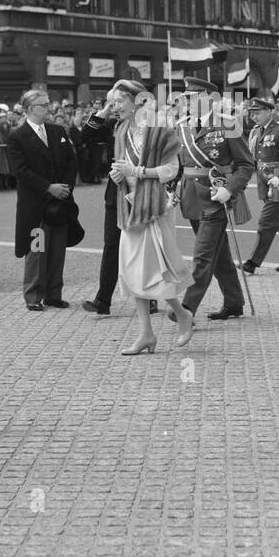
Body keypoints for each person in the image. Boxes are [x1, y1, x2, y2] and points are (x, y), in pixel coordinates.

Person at [104, 83, 194, 354]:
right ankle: (146, 333)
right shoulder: (121, 130)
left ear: (136, 101)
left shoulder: (158, 128)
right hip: (130, 206)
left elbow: (171, 169)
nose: (115, 107)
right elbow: (123, 166)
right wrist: (120, 174)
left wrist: (137, 170)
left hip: (154, 206)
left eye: (120, 101)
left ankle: (182, 314)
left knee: (156, 269)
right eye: (113, 101)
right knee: (132, 271)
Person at [169, 79, 254, 323]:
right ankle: (234, 301)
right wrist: (172, 188)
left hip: (214, 197)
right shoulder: (182, 126)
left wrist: (229, 189)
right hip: (190, 197)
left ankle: (186, 309)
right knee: (220, 254)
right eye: (186, 96)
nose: (187, 100)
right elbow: (179, 164)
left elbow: (246, 165)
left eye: (193, 96)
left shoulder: (227, 124)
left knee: (203, 255)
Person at [6, 88, 78, 311]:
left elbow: (71, 161)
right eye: (43, 105)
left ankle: (54, 294)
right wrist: (49, 188)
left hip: (60, 203)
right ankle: (34, 296)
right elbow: (21, 171)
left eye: (48, 104)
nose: (49, 108)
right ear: (29, 109)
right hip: (35, 205)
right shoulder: (17, 136)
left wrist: (65, 188)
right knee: (36, 252)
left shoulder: (58, 131)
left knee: (57, 250)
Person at [241, 96, 279, 274]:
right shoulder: (256, 131)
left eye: (258, 113)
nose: (254, 117)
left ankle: (252, 262)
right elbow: (253, 158)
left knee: (266, 223)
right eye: (252, 113)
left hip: (277, 185)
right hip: (264, 183)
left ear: (269, 112)